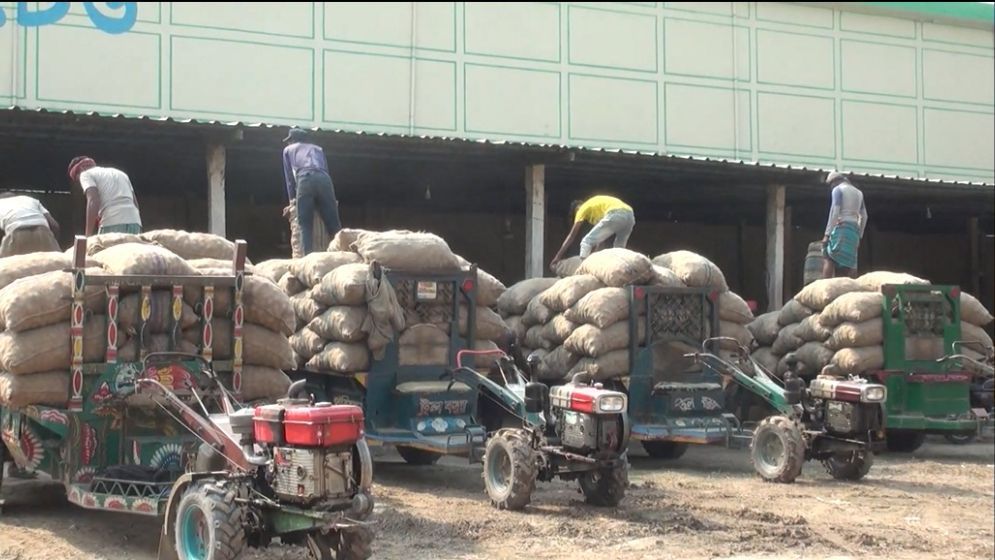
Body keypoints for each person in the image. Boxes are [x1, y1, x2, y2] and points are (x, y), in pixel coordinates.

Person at [282, 128, 341, 255]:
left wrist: (292, 201)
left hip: (305, 178)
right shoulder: (318, 149)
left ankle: (307, 258)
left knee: (304, 224)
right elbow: (325, 170)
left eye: (289, 141)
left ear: (292, 140)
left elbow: (290, 180)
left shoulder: (288, 150)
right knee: (334, 223)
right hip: (324, 179)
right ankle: (341, 252)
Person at [549, 195, 635, 270]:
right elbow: (600, 241)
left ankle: (583, 270)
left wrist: (557, 257)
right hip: (630, 215)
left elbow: (572, 236)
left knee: (586, 242)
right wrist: (594, 257)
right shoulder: (595, 208)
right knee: (618, 250)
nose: (583, 219)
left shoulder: (581, 209)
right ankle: (621, 270)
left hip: (616, 213)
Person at [67, 156, 142, 235]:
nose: (79, 182)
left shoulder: (85, 174)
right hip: (135, 224)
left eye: (77, 178)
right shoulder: (121, 173)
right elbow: (135, 204)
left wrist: (87, 236)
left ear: (81, 169)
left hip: (112, 223)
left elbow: (93, 200)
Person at [822, 171, 867, 279]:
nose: (831, 187)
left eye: (831, 184)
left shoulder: (838, 190)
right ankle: (852, 288)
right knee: (852, 263)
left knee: (828, 257)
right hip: (854, 231)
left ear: (835, 181)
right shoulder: (859, 193)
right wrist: (859, 235)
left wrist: (827, 235)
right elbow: (864, 216)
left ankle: (825, 286)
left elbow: (835, 212)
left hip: (841, 228)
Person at [0, 192, 61, 257]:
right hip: (43, 231)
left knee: (6, 265)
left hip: (16, 232)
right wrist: (52, 241)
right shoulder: (30, 200)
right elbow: (54, 225)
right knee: (58, 263)